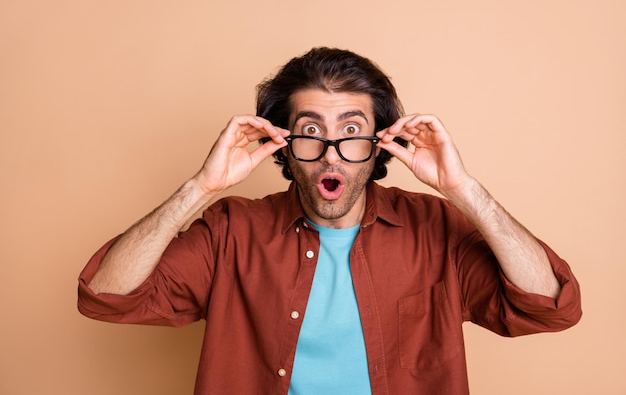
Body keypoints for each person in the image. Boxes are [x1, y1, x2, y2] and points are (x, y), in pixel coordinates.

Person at [77, 47, 582, 395]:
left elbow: (550, 306)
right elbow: (106, 295)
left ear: (379, 144)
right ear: (284, 144)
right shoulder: (232, 231)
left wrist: (463, 190)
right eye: (311, 129)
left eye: (353, 130)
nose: (331, 153)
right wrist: (200, 188)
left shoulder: (436, 227)